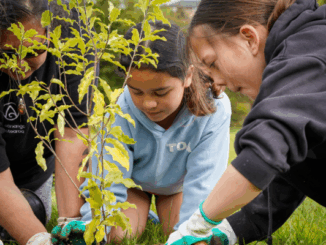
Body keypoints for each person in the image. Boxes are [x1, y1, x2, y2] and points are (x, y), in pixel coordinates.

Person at [51, 21, 232, 244]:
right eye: (136, 91)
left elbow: (204, 179)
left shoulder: (215, 108)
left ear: (187, 75)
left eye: (160, 92)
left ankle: (153, 217)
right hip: (133, 186)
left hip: (177, 188)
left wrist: (195, 235)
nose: (148, 104)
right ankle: (144, 214)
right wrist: (95, 227)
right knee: (119, 235)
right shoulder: (120, 109)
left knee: (181, 233)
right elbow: (108, 178)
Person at [165, 0, 326, 244]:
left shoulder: (311, 48)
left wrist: (194, 228)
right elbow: (286, 175)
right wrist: (225, 234)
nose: (216, 83)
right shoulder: (301, 72)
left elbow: (263, 155)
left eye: (212, 63)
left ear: (249, 38)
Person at [0, 0, 97, 244]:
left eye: (33, 52)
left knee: (34, 211)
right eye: (8, 54)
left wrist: (70, 223)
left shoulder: (73, 36)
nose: (20, 67)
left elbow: (72, 133)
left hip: (34, 167)